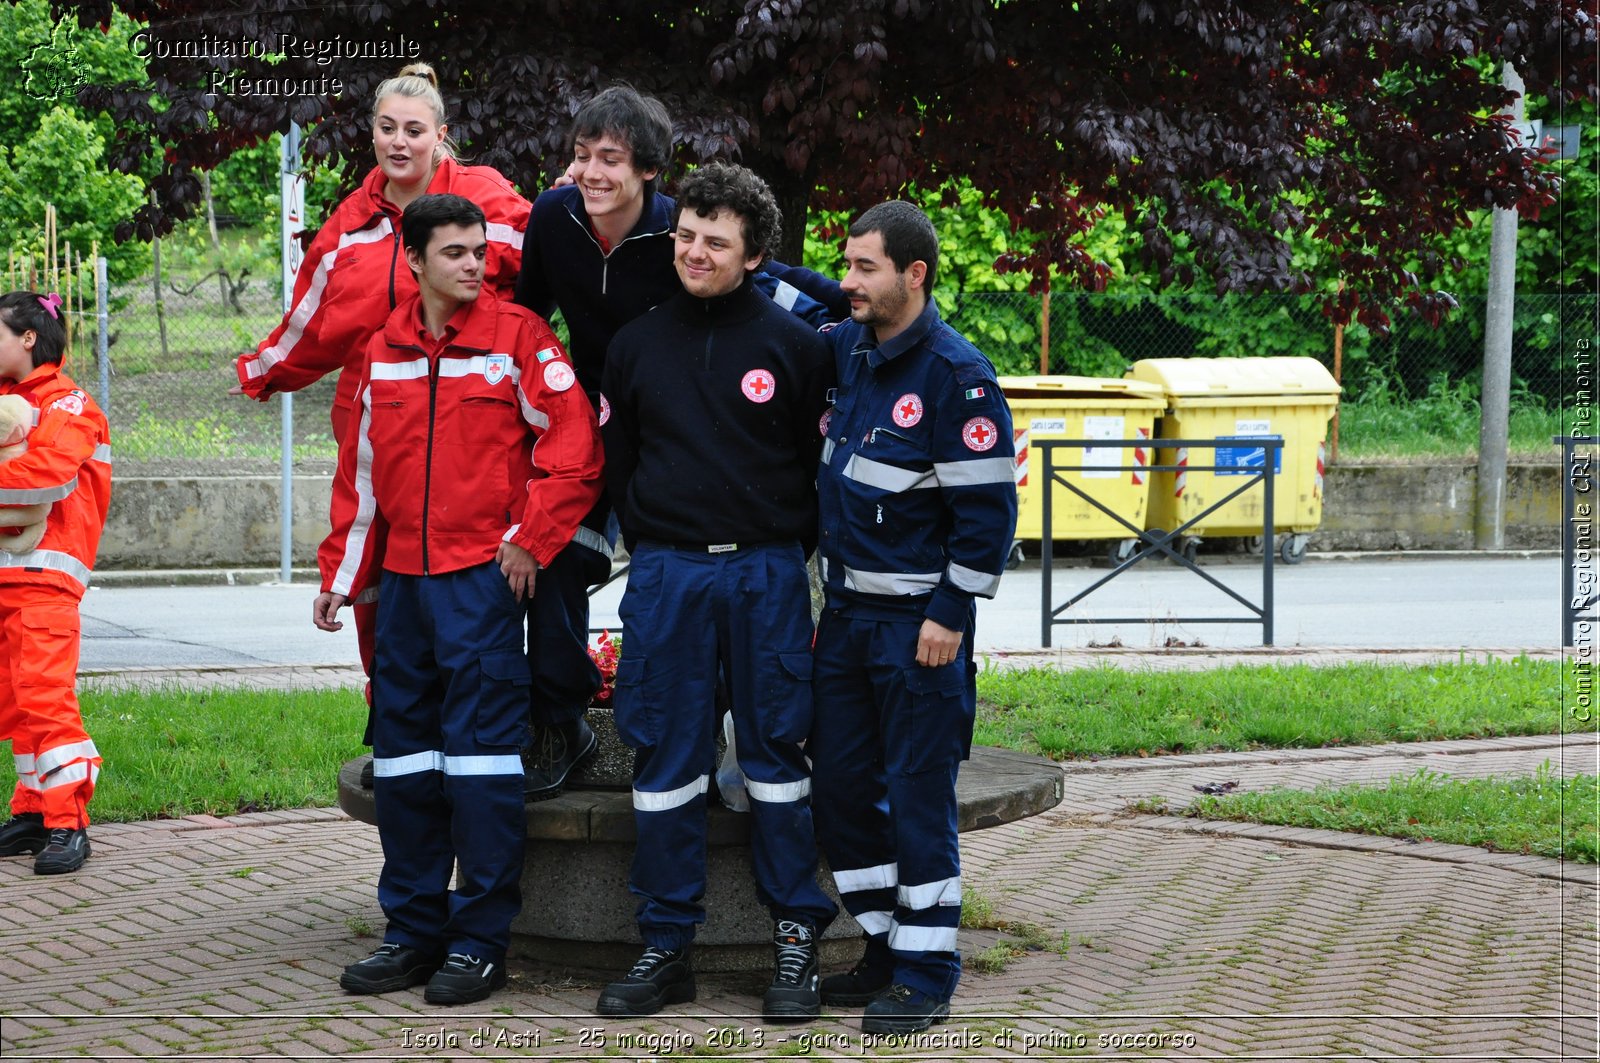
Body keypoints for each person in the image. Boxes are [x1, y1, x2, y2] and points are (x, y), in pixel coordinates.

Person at [511, 84, 845, 801]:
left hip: (667, 425)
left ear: (648, 170)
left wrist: (863, 308)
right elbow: (525, 315)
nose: (590, 173)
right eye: (580, 156)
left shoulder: (677, 230)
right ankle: (560, 722)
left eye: (610, 159)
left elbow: (776, 280)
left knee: (696, 592)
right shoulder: (552, 215)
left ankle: (711, 736)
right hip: (581, 415)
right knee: (555, 556)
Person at [313, 194, 602, 1006]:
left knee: (480, 764)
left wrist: (530, 538)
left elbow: (574, 451)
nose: (475, 264)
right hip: (402, 586)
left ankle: (479, 941)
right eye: (456, 252)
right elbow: (362, 480)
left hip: (481, 582)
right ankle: (411, 932)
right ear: (415, 260)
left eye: (480, 250)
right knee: (404, 762)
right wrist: (341, 578)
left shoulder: (518, 339)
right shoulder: (381, 352)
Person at [595, 163, 837, 1021]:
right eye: (687, 235)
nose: (695, 252)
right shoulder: (635, 344)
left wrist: (777, 549)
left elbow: (817, 473)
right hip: (667, 574)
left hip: (767, 571)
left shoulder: (796, 346)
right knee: (664, 759)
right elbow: (618, 467)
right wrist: (662, 539)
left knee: (775, 757)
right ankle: (666, 944)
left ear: (755, 255)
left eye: (717, 242)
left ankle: (796, 937)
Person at [236, 62, 530, 727]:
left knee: (469, 571)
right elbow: (313, 319)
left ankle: (481, 722)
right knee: (372, 566)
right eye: (387, 128)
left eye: (414, 131)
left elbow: (546, 252)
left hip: (470, 411)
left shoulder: (485, 196)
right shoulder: (353, 222)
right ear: (371, 131)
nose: (399, 142)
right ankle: (391, 715)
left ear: (441, 135)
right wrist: (263, 370)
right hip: (373, 409)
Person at [809, 201, 1018, 1034]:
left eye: (864, 267)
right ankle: (885, 945)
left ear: (914, 274)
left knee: (917, 797)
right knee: (844, 792)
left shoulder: (957, 376)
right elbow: (786, 292)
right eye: (847, 264)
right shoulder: (852, 350)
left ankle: (928, 968)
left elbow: (988, 515)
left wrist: (952, 611)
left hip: (918, 630)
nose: (847, 281)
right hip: (849, 619)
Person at [0, 292, 112, 875]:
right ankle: (35, 810)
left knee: (44, 700)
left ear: (27, 337)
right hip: (7, 576)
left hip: (45, 576)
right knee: (17, 706)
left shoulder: (70, 403)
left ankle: (68, 822)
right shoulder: (7, 402)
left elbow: (46, 474)